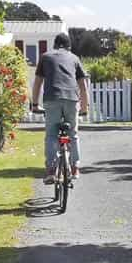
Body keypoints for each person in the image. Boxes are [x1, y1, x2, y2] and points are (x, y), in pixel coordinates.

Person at [31, 33, 88, 183]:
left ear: (54, 45)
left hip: (51, 99)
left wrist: (35, 105)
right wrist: (84, 108)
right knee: (73, 134)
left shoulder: (45, 57)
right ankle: (75, 168)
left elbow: (37, 83)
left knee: (51, 135)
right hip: (71, 99)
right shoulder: (74, 58)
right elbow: (83, 86)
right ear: (69, 46)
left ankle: (51, 170)